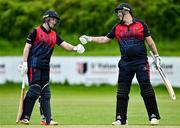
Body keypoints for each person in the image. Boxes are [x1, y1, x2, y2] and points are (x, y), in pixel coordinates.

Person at [79, 3, 161, 125]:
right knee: (122, 91)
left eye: (119, 12)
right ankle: (121, 119)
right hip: (125, 63)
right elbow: (105, 39)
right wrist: (90, 38)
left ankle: (154, 116)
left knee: (146, 89)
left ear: (127, 12)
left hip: (141, 62)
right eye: (117, 13)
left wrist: (156, 55)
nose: (118, 15)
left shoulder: (141, 24)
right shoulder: (117, 27)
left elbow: (150, 41)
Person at [18, 10, 85, 125]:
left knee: (45, 92)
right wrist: (25, 63)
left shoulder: (54, 35)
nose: (55, 21)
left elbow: (65, 45)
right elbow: (27, 47)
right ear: (46, 19)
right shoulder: (35, 32)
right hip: (33, 65)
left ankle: (47, 119)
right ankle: (25, 117)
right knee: (34, 90)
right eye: (53, 19)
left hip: (45, 67)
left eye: (56, 20)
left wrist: (75, 48)